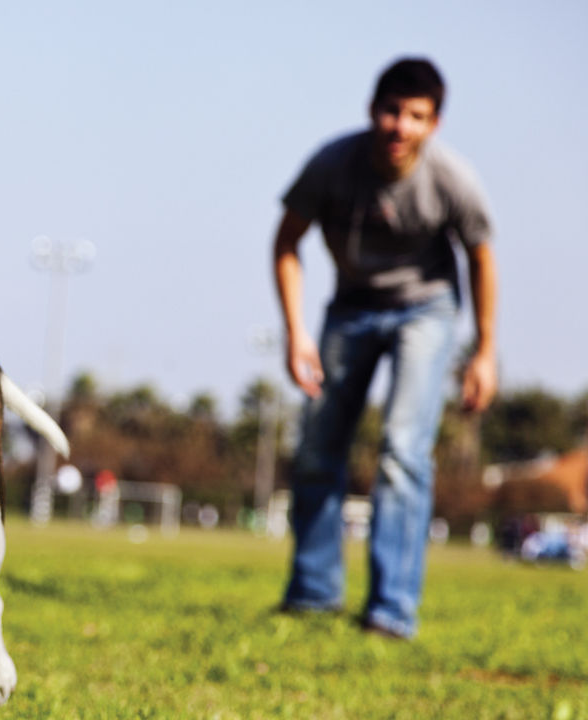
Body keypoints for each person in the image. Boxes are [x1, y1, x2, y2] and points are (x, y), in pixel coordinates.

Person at [271, 57, 498, 638]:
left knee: (402, 449)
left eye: (416, 116)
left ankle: (391, 610)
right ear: (373, 111)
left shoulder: (451, 179)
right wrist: (296, 332)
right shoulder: (333, 165)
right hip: (349, 308)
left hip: (426, 311)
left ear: (434, 124)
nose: (401, 126)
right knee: (320, 445)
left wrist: (484, 349)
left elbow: (480, 257)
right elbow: (287, 242)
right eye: (392, 111)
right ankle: (313, 594)